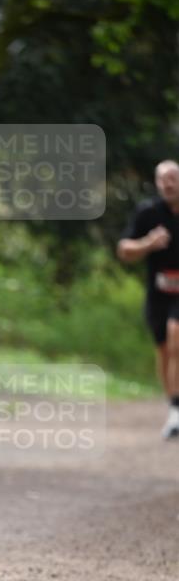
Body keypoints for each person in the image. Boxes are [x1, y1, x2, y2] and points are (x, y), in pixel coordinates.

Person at [117, 159, 179, 439]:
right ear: (156, 183)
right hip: (158, 293)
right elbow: (124, 250)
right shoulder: (148, 212)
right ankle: (174, 409)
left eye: (173, 178)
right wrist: (149, 243)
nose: (167, 184)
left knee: (176, 336)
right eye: (162, 179)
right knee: (164, 350)